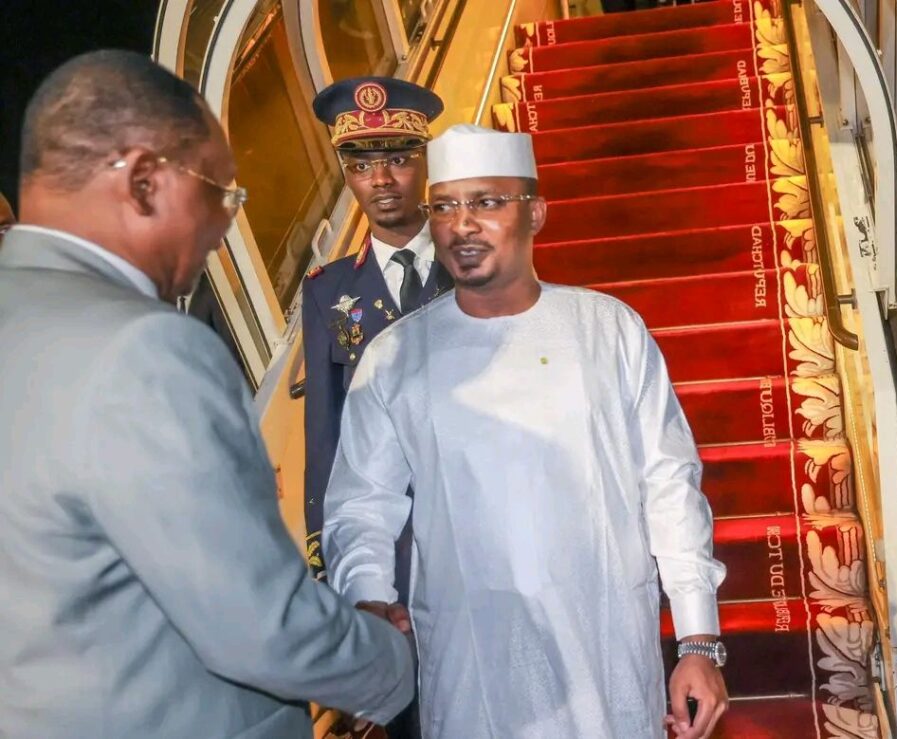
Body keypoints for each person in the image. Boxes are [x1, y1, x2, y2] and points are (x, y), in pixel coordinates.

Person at [0, 50, 413, 738]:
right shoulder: (144, 349)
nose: (224, 229)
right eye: (220, 193)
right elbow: (261, 626)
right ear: (143, 183)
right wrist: (395, 663)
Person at [321, 123, 729, 739]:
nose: (462, 225)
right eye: (444, 207)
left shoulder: (608, 329)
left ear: (534, 213)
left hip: (606, 645)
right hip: (469, 661)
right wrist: (368, 601)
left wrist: (698, 638)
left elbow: (669, 484)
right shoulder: (394, 358)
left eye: (486, 202)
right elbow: (360, 506)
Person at [303, 76, 451, 583]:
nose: (381, 179)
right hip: (388, 537)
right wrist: (326, 546)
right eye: (361, 166)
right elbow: (325, 427)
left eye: (399, 159)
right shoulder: (328, 290)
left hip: (481, 509)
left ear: (426, 162)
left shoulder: (474, 264)